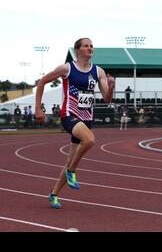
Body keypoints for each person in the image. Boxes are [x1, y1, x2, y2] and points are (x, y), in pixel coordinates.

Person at [35, 38, 115, 209]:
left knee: (70, 159)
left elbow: (107, 99)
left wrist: (111, 86)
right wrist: (38, 109)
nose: (90, 48)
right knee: (90, 140)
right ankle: (72, 171)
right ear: (78, 50)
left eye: (92, 46)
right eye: (86, 46)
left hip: (87, 118)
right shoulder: (67, 68)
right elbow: (41, 82)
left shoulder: (98, 71)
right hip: (69, 114)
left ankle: (53, 194)